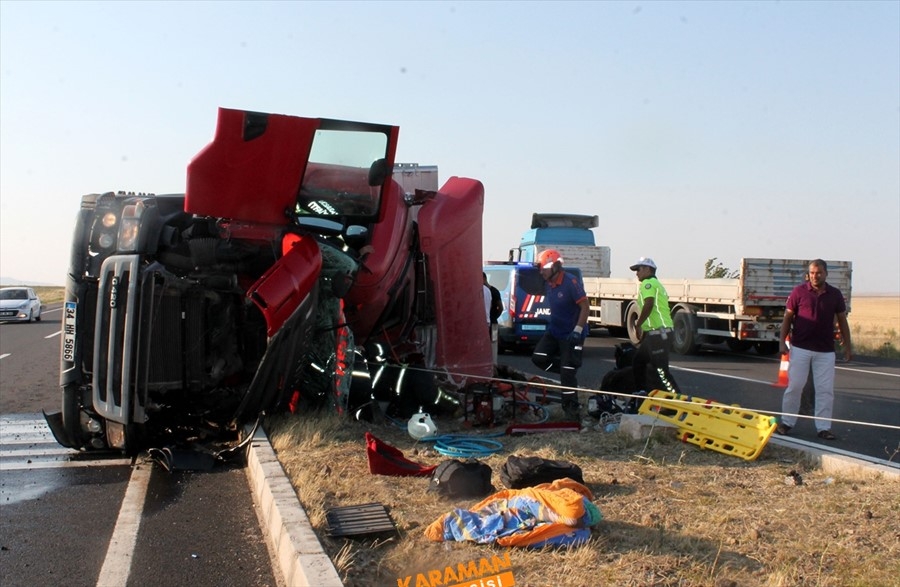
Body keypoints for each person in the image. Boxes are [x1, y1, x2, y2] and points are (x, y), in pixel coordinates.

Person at [776, 259, 851, 441]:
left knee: (825, 390)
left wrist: (848, 345)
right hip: (800, 348)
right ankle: (787, 423)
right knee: (795, 386)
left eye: (818, 273)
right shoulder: (798, 292)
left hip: (825, 351)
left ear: (826, 273)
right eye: (812, 273)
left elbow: (842, 320)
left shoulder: (835, 294)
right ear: (808, 274)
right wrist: (782, 342)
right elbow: (788, 318)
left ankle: (823, 428)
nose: (815, 276)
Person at [530, 249, 589, 419]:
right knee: (539, 358)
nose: (541, 272)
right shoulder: (549, 283)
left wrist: (578, 330)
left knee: (567, 375)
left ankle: (571, 412)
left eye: (543, 268)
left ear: (554, 266)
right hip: (555, 331)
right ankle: (566, 368)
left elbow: (585, 307)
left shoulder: (571, 282)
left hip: (572, 333)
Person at [629, 257, 681, 398]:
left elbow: (649, 304)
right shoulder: (655, 283)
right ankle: (642, 392)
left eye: (638, 269)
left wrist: (638, 323)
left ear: (648, 269)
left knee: (661, 371)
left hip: (660, 333)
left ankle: (677, 398)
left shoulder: (648, 284)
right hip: (655, 333)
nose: (636, 273)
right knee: (639, 361)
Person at [484, 272, 503, 363]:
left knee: (493, 342)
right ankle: (493, 363)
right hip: (493, 322)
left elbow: (500, 307)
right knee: (493, 343)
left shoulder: (492, 291)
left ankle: (492, 363)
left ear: (484, 279)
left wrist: (494, 317)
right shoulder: (493, 290)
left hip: (492, 322)